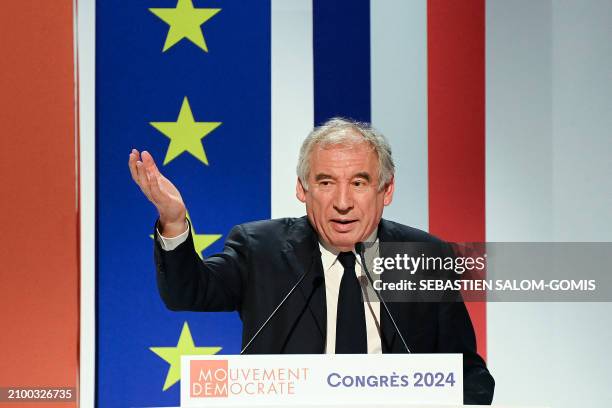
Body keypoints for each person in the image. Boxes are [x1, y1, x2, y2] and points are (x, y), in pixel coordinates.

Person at [128, 118, 495, 404]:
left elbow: (469, 375)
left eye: (359, 183)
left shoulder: (423, 257)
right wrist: (174, 222)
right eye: (325, 182)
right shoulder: (261, 250)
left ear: (387, 191)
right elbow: (187, 293)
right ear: (302, 189)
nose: (342, 202)